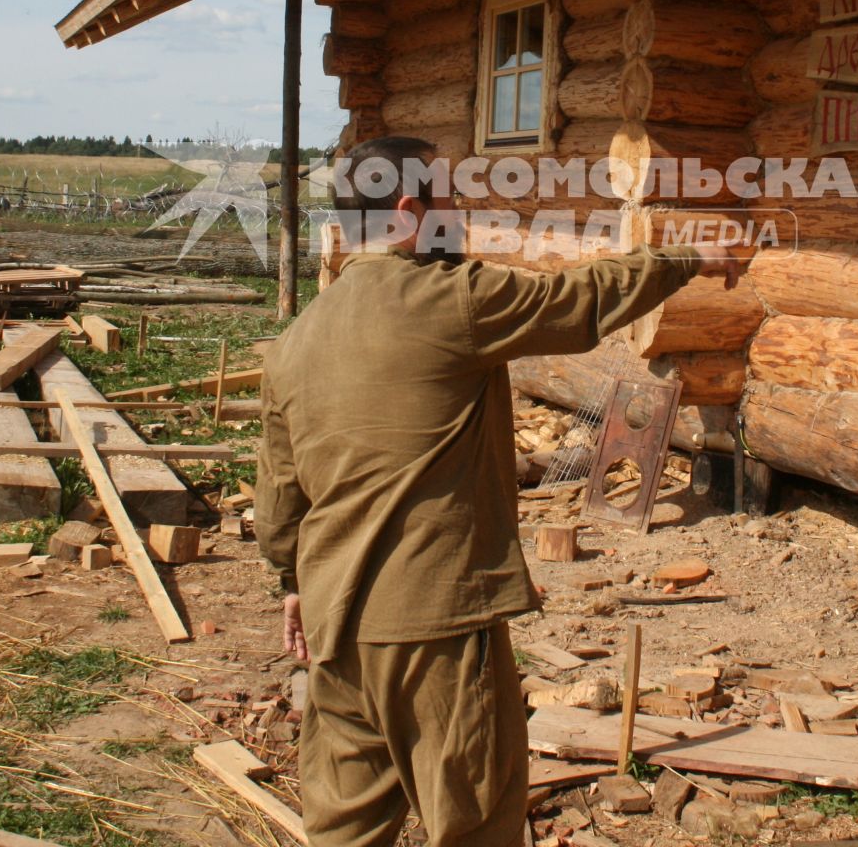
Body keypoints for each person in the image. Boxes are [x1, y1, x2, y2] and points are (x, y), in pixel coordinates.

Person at [257, 134, 749, 847]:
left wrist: (289, 580)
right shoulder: (449, 300)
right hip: (436, 630)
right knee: (477, 822)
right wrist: (683, 258)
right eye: (450, 201)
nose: (462, 215)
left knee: (343, 830)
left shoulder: (297, 341)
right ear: (407, 211)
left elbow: (280, 493)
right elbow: (578, 300)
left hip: (337, 632)